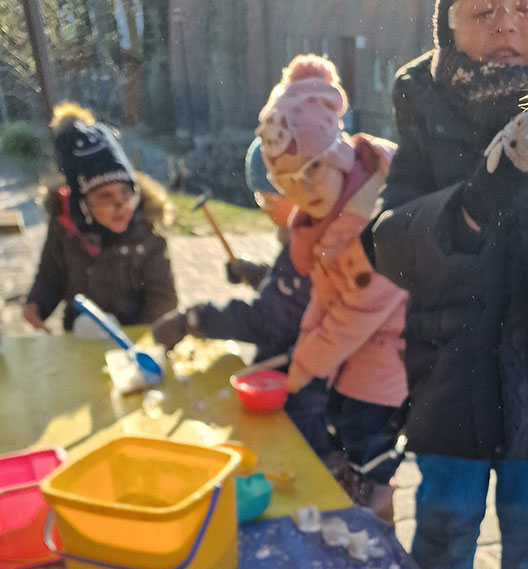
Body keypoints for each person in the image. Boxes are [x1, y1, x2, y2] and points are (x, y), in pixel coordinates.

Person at [361, 1, 528, 569]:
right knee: (443, 524)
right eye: (482, 9)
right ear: (447, 25)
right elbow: (385, 241)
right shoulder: (424, 100)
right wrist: (467, 208)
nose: (505, 25)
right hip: (449, 371)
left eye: (526, 9)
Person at [257, 54, 409, 522]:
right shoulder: (323, 222)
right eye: (288, 183)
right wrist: (303, 350)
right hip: (354, 361)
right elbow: (323, 300)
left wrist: (306, 362)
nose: (303, 192)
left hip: (388, 363)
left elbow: (358, 312)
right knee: (345, 432)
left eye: (312, 170)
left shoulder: (373, 219)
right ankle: (358, 502)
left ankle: (380, 528)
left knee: (372, 452)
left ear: (339, 154)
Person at [151, 138, 332, 458]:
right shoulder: (309, 236)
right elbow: (297, 295)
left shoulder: (304, 245)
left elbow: (268, 321)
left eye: (266, 199)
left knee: (300, 455)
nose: (263, 211)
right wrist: (258, 274)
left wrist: (196, 319)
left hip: (297, 385)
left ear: (293, 191)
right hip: (301, 370)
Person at [25, 102, 177, 332]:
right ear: (82, 205)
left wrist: (140, 341)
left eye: (126, 192)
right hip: (79, 335)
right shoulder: (65, 227)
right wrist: (38, 303)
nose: (120, 205)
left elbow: (163, 299)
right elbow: (51, 272)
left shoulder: (147, 231)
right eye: (105, 196)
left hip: (133, 339)